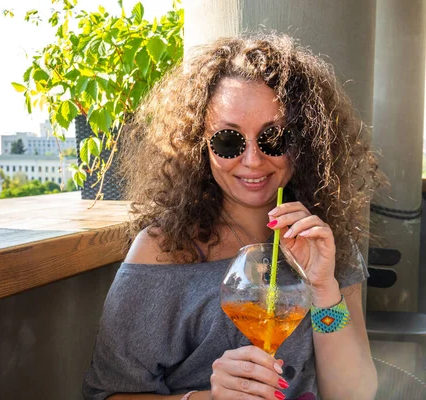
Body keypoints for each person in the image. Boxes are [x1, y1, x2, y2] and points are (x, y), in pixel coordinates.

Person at [83, 32, 382, 400]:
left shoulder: (326, 241)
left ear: (302, 143)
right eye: (228, 140)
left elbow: (354, 394)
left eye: (274, 138)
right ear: (200, 143)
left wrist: (323, 288)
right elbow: (107, 394)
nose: (253, 160)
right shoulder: (162, 251)